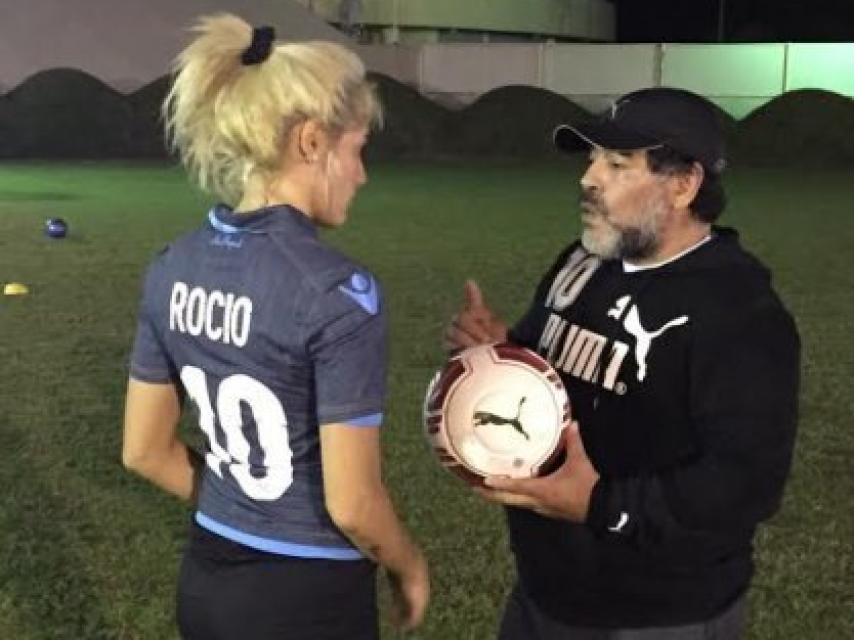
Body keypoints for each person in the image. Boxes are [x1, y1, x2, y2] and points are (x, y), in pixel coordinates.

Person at [445, 87, 799, 639]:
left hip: (657, 616)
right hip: (546, 592)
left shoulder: (737, 310)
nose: (589, 179)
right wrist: (504, 355)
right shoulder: (584, 261)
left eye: (616, 164)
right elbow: (555, 376)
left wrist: (600, 504)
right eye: (591, 160)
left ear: (683, 184)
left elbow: (744, 484)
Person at [122, 14, 428, 639]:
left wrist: (243, 506)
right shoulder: (337, 292)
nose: (362, 175)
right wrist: (409, 565)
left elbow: (144, 451)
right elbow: (353, 505)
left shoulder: (170, 265)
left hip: (207, 581)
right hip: (304, 600)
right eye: (357, 150)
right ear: (312, 143)